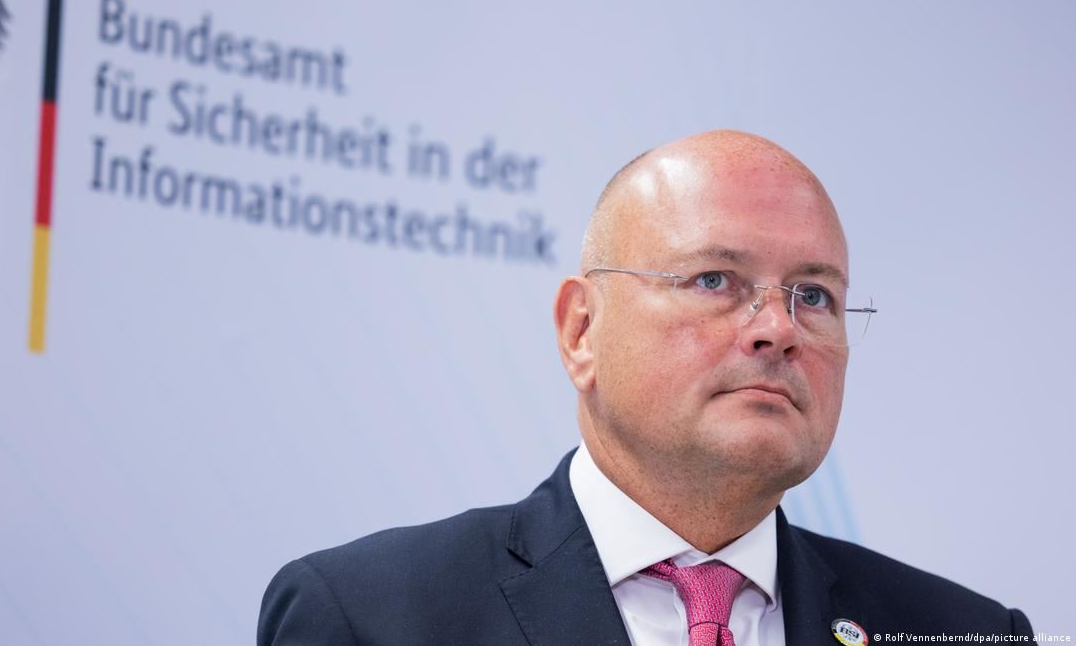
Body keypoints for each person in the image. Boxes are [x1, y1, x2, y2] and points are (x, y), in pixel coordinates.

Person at [257, 131, 1033, 645]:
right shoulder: (368, 616)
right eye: (714, 280)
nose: (777, 328)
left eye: (813, 295)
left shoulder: (965, 632)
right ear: (581, 331)